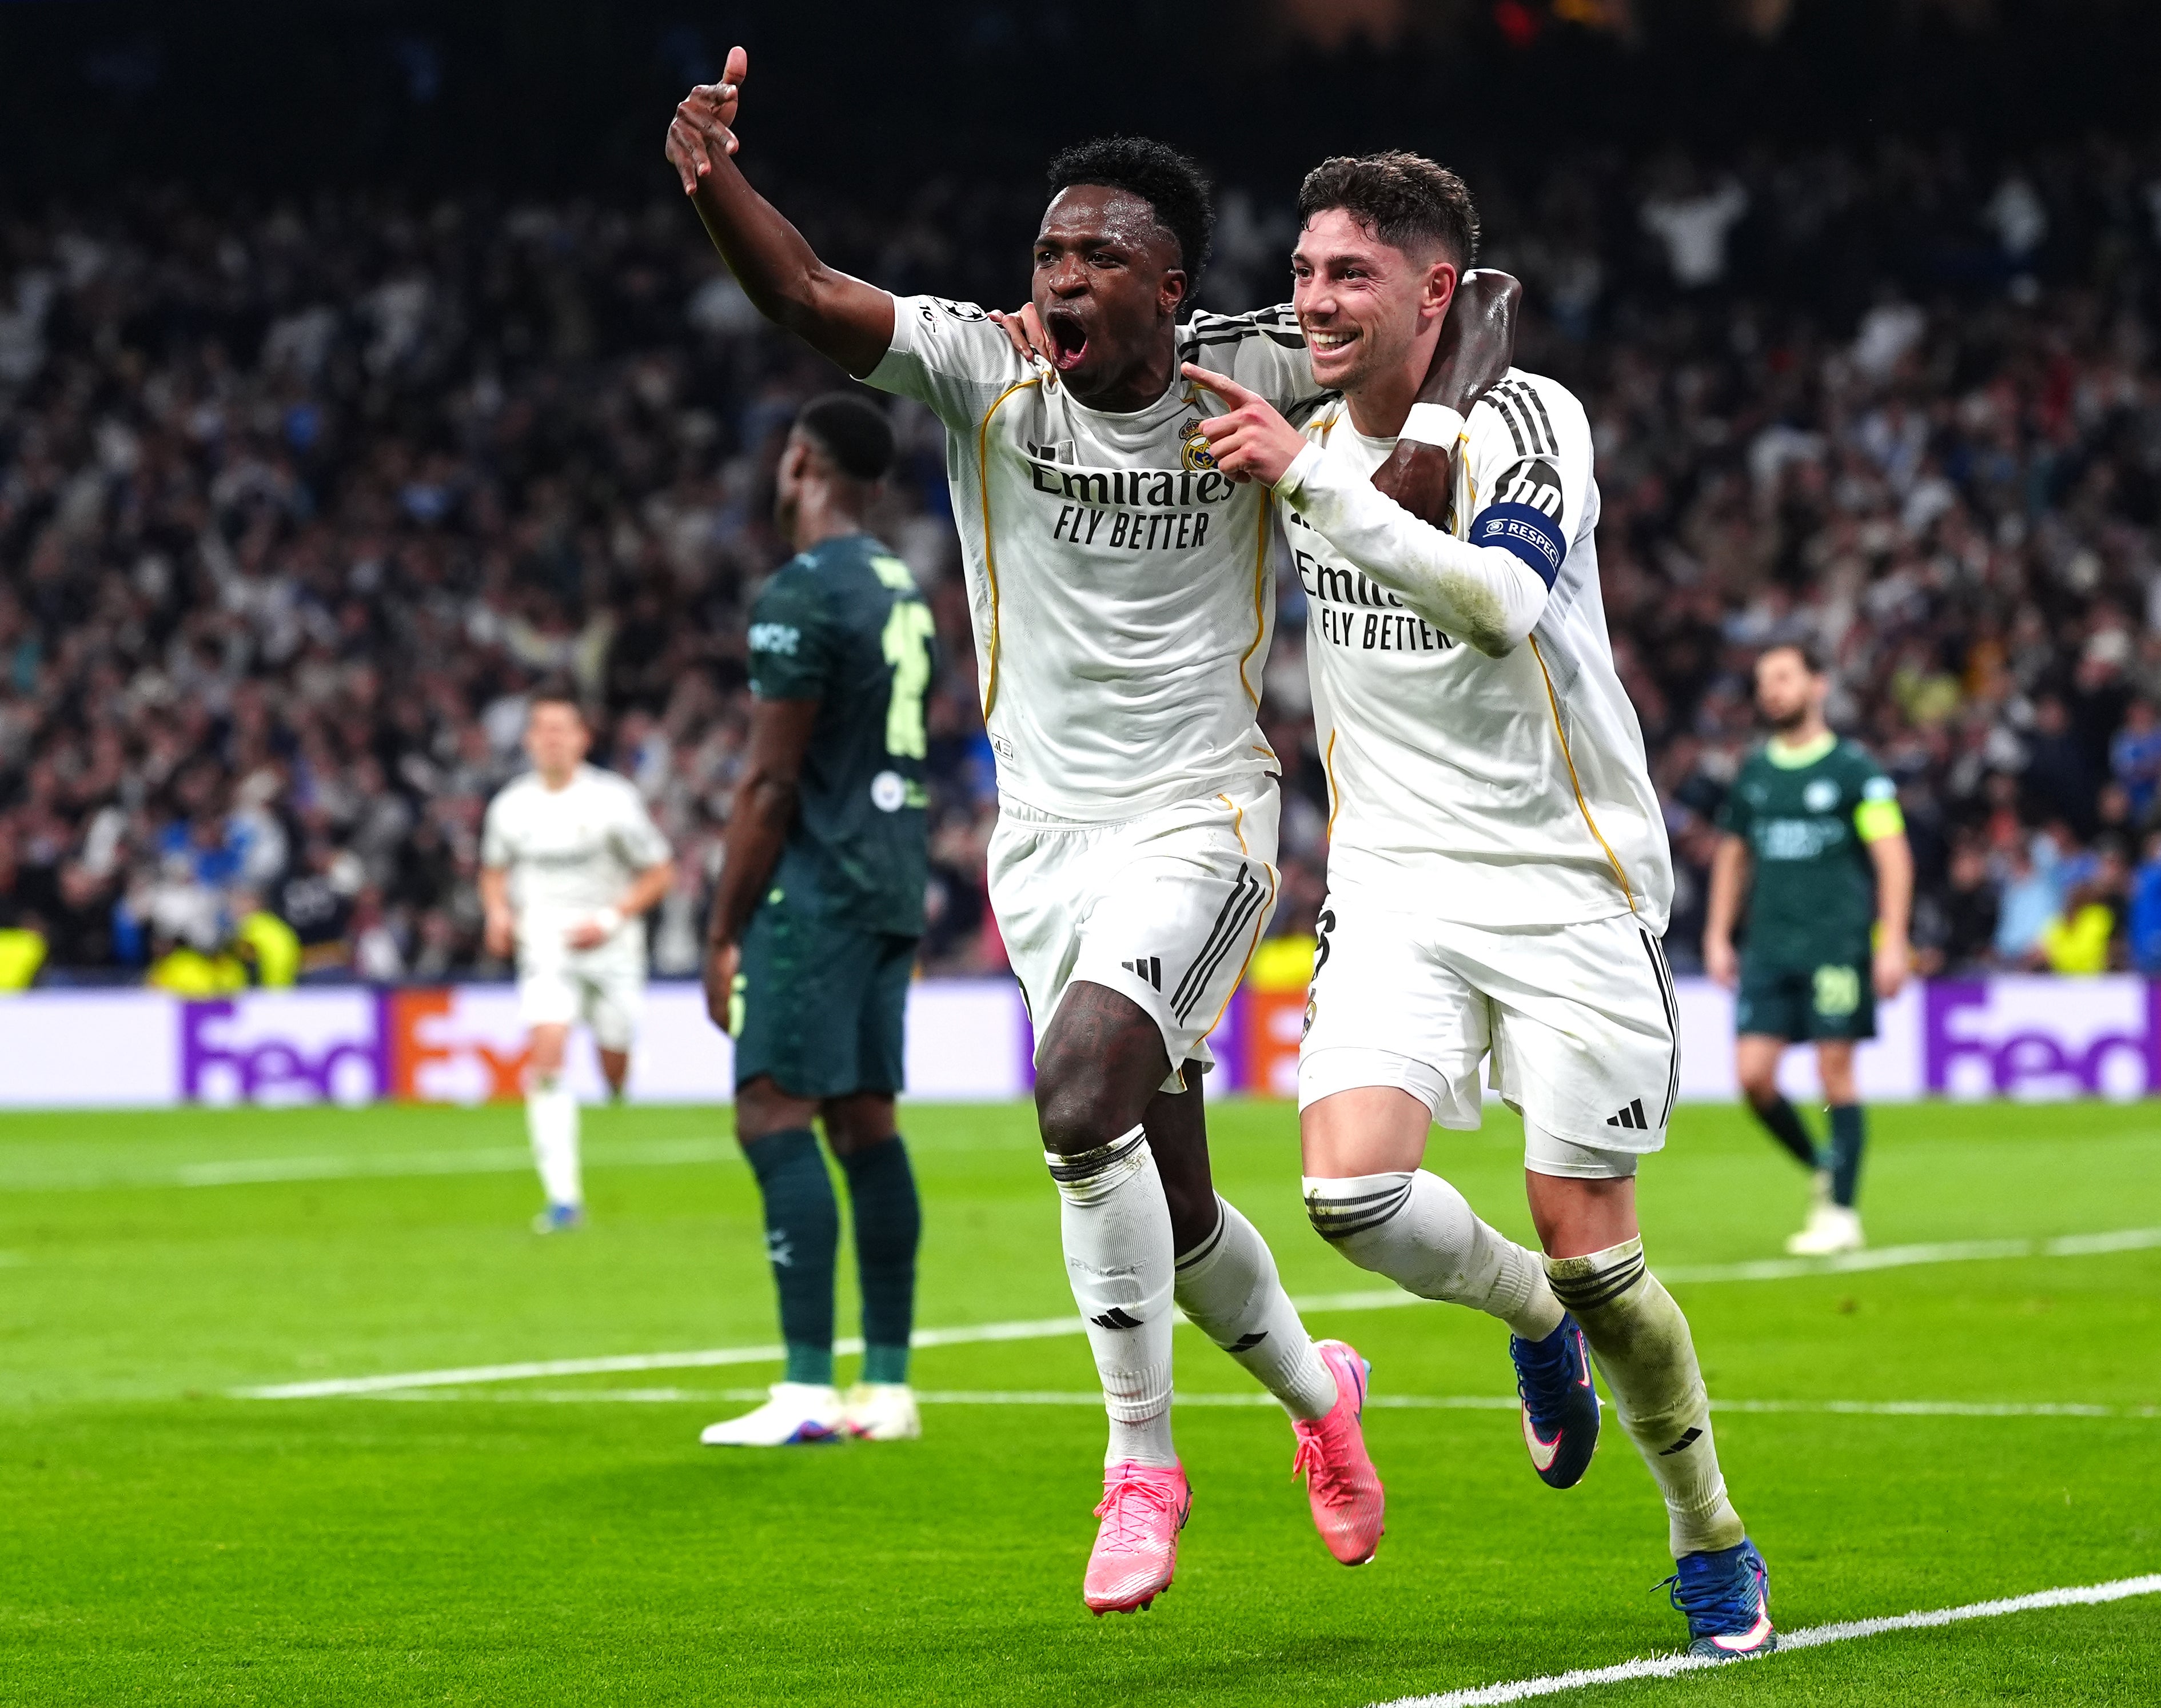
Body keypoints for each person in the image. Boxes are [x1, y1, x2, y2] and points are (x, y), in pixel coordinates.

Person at [663, 49, 1519, 1612]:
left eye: (1094, 257)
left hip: (1203, 813)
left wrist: (1419, 428)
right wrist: (714, 175)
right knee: (1173, 1204)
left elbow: (1460, 327)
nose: (1055, 279)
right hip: (1046, 842)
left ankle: (1141, 1464)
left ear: (1169, 288)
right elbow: (803, 293)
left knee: (1075, 1105)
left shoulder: (1255, 374)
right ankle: (1327, 1404)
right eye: (1046, 253)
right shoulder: (983, 370)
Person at [1183, 151, 1776, 1662]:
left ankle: (1706, 1527)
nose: (1315, 300)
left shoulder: (1532, 418)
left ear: (1432, 290)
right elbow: (1146, 336)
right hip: (1393, 881)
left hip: (1570, 878)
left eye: (1351, 276)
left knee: (1598, 1244)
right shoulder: (1298, 399)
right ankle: (1532, 1323)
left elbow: (1499, 603)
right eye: (1306, 271)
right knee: (1349, 1196)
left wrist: (1313, 473)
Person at [696, 395, 933, 1450]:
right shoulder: (897, 582)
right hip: (893, 874)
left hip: (821, 882)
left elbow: (766, 783)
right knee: (865, 1125)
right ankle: (885, 1385)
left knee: (771, 1113)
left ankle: (802, 1390)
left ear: (798, 461)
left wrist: (720, 928)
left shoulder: (799, 592)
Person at [1703, 644, 1913, 1258]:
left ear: (1816, 685)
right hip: (1768, 946)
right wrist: (1718, 934)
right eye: (1764, 680)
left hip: (1835, 946)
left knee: (1834, 1071)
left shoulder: (1854, 771)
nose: (1771, 690)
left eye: (1784, 677)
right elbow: (1732, 856)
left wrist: (1892, 938)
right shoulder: (1755, 772)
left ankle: (1841, 1212)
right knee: (1752, 1078)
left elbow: (1891, 856)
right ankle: (1825, 1164)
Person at [479, 688, 675, 1232]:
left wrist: (610, 920)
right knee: (546, 1057)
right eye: (541, 729)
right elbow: (493, 869)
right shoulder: (511, 806)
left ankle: (620, 1073)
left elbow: (660, 871)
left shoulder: (613, 800)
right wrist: (497, 913)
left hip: (611, 949)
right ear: (528, 740)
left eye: (561, 728)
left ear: (583, 739)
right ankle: (563, 1197)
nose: (551, 738)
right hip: (546, 949)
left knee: (613, 1060)